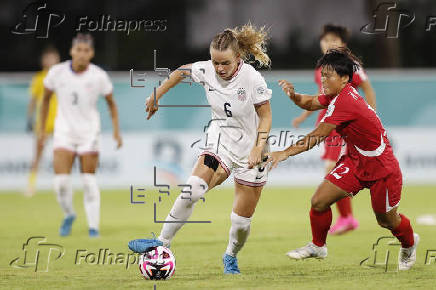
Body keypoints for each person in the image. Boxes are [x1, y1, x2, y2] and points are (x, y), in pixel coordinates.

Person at [128, 24, 273, 274]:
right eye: (215, 62)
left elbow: (266, 116)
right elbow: (179, 73)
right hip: (220, 142)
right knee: (192, 189)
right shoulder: (205, 70)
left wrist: (258, 147)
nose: (219, 68)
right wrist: (156, 96)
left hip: (252, 150)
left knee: (240, 222)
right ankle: (161, 242)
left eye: (225, 63)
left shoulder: (251, 78)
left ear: (238, 58)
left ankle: (230, 255)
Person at [267, 48, 418, 271]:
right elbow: (309, 103)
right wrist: (293, 95)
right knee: (319, 202)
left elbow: (318, 135)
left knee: (387, 221)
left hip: (382, 169)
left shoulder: (346, 101)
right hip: (355, 162)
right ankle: (318, 246)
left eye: (328, 75)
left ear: (345, 78)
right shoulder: (336, 95)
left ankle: (409, 244)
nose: (323, 79)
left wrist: (284, 152)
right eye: (323, 74)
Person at [292, 24, 376, 235]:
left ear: (343, 44)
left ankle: (347, 218)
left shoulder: (351, 65)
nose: (328, 43)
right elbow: (322, 96)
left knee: (333, 169)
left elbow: (367, 88)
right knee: (333, 169)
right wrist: (304, 115)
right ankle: (346, 217)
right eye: (325, 39)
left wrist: (372, 116)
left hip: (342, 123)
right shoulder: (321, 68)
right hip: (328, 124)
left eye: (333, 39)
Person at [39, 33, 122, 237]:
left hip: (89, 133)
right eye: (78, 50)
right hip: (64, 132)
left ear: (91, 53)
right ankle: (69, 214)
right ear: (71, 51)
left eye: (86, 50)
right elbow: (46, 100)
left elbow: (111, 104)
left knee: (88, 180)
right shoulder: (56, 73)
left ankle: (93, 228)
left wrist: (116, 131)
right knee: (60, 183)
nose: (82, 54)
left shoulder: (98, 76)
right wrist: (42, 130)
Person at [25, 46, 60, 197]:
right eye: (48, 58)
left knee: (60, 155)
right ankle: (31, 185)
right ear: (43, 60)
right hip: (43, 123)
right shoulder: (39, 78)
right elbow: (33, 100)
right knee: (38, 155)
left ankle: (60, 186)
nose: (50, 60)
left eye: (53, 57)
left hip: (60, 122)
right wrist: (29, 118)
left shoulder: (62, 77)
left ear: (57, 59)